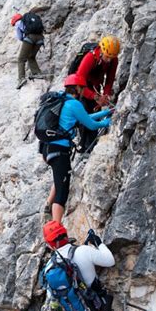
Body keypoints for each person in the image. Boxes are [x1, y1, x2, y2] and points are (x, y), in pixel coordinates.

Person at [43, 73, 112, 222]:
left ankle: (48, 206)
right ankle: (56, 231)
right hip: (59, 151)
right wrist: (106, 122)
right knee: (62, 193)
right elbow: (90, 124)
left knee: (59, 178)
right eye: (82, 88)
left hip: (48, 148)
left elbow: (84, 118)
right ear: (78, 88)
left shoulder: (63, 101)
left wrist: (104, 113)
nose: (82, 91)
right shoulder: (74, 104)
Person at [76, 35, 121, 153]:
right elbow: (78, 83)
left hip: (95, 87)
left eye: (112, 57)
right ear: (101, 50)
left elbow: (110, 79)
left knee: (96, 113)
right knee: (84, 114)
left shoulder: (113, 59)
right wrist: (95, 97)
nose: (109, 60)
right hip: (82, 88)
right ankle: (82, 146)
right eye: (107, 57)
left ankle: (92, 145)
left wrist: (105, 95)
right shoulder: (90, 58)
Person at [11, 12, 45, 89]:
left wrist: (25, 39)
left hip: (29, 38)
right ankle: (37, 74)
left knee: (21, 59)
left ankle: (21, 79)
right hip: (40, 38)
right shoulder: (29, 20)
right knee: (31, 56)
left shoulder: (18, 23)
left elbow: (19, 36)